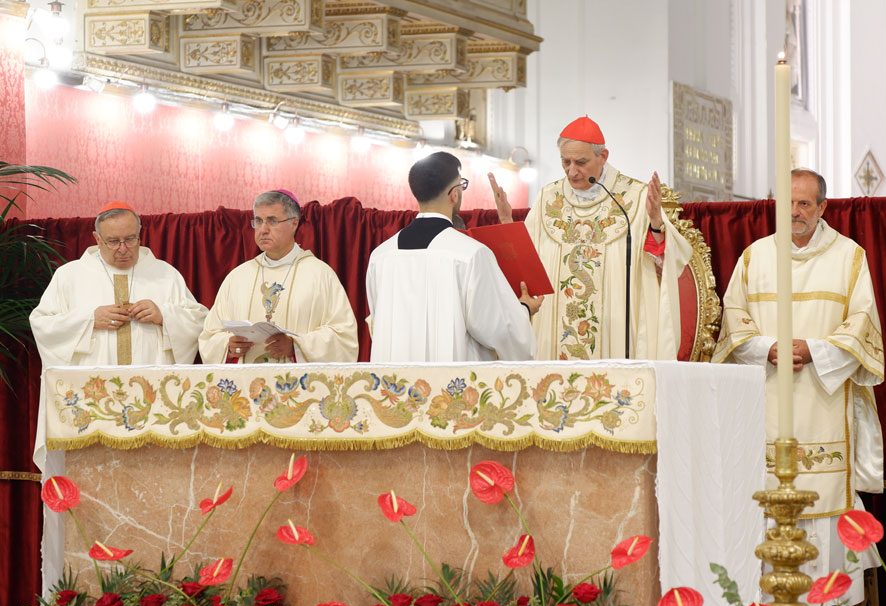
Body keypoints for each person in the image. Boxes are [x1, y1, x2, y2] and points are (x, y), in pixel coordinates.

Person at [712, 169, 885, 606]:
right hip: (768, 397)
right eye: (788, 203)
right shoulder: (755, 257)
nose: (795, 212)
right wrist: (768, 348)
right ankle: (769, 599)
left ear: (824, 207)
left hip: (823, 396)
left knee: (825, 491)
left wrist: (816, 351)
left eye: (805, 204)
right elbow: (733, 321)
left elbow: (862, 324)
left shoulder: (849, 257)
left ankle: (824, 600)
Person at [491, 116, 692, 360]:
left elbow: (667, 264)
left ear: (603, 157)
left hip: (615, 329)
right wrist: (506, 223)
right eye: (565, 162)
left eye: (581, 162)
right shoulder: (548, 197)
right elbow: (526, 263)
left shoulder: (634, 197)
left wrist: (656, 224)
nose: (571, 171)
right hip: (553, 333)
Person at [366, 151, 540, 362]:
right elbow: (502, 329)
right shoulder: (470, 253)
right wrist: (524, 309)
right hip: (451, 387)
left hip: (396, 385)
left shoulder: (381, 255)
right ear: (454, 194)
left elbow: (377, 322)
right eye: (462, 185)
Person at [30, 202, 208, 366]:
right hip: (92, 387)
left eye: (130, 239)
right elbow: (42, 325)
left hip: (151, 384)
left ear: (140, 234)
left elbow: (200, 322)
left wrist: (164, 316)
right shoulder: (69, 275)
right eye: (114, 241)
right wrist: (90, 319)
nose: (123, 249)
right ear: (97, 239)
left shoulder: (165, 274)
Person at [199, 190, 358, 363]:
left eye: (272, 221)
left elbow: (344, 337)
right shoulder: (238, 277)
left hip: (298, 386)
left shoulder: (320, 275)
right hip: (247, 385)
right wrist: (228, 347)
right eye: (258, 221)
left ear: (294, 223)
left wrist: (296, 346)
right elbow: (209, 336)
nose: (263, 230)